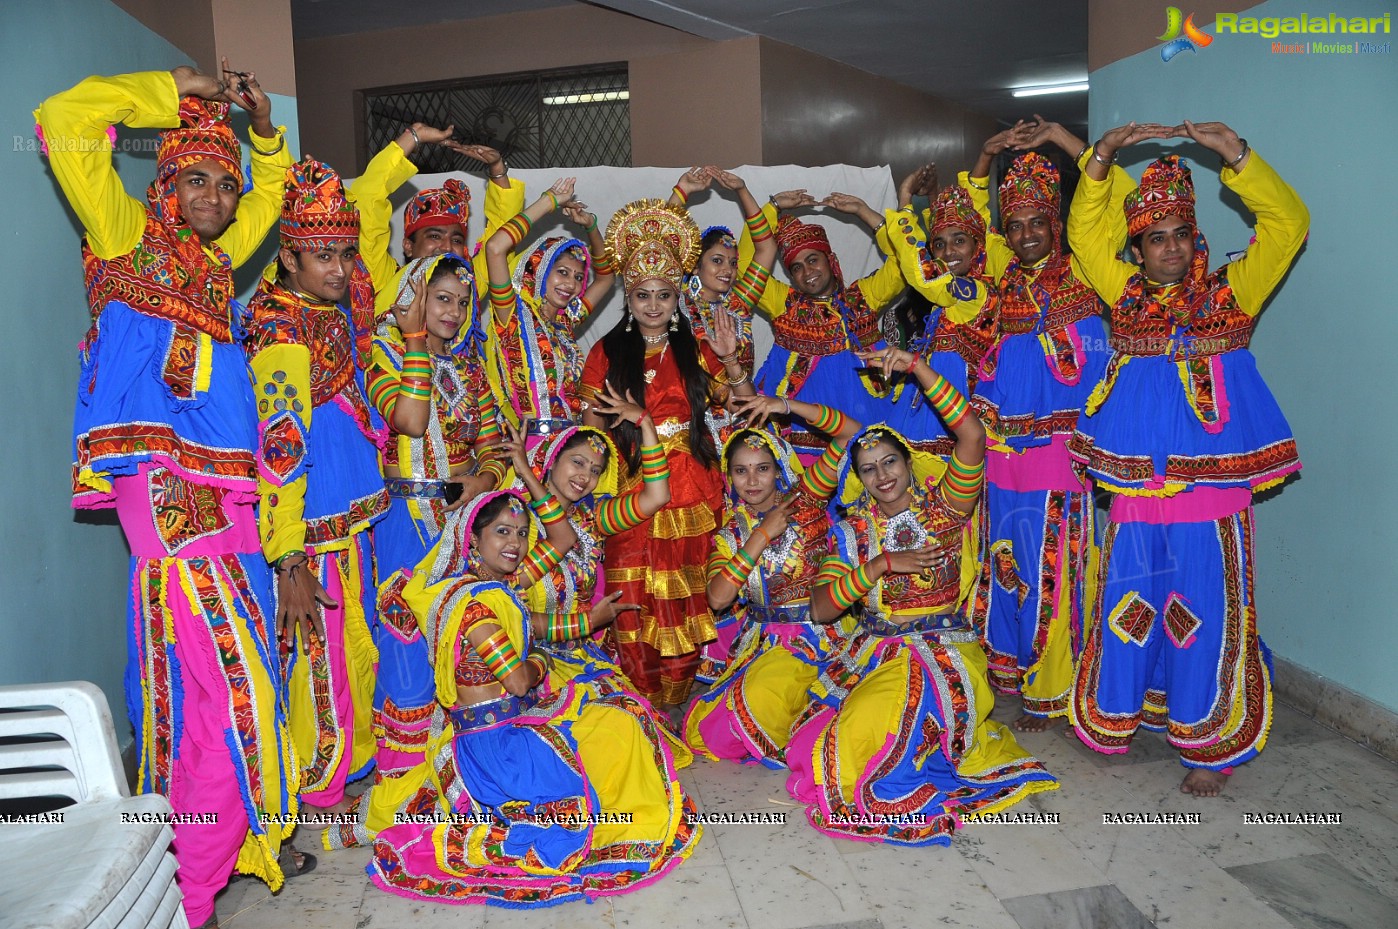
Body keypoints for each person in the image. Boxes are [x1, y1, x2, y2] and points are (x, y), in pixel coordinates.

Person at [37, 62, 300, 927]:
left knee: (203, 686)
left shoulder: (217, 268)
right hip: (166, 490)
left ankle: (213, 854)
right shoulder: (122, 236)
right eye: (197, 177)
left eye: (227, 185)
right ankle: (196, 876)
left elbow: (273, 199)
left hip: (228, 495)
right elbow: (65, 118)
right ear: (163, 181)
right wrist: (171, 87)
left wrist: (261, 136)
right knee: (235, 684)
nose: (218, 197)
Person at [1067, 121, 1309, 796]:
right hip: (1137, 493)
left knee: (1203, 609)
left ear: (1193, 236)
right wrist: (1103, 155)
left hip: (1212, 497)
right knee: (1133, 605)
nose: (1168, 248)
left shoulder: (1235, 291)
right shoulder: (1123, 294)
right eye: (1154, 237)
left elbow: (1288, 222)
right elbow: (1083, 235)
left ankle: (1210, 742)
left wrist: (1236, 154)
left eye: (1178, 233)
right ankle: (1127, 711)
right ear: (1137, 246)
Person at [351, 489, 702, 906]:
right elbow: (518, 682)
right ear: (472, 541)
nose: (514, 542)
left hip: (506, 730)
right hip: (496, 752)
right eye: (501, 532)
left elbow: (536, 622)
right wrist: (538, 662)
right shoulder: (476, 606)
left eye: (520, 532)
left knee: (618, 718)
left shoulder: (496, 591)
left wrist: (591, 619)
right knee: (603, 752)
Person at [792, 346, 1057, 845]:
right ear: (859, 478)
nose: (882, 474)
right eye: (868, 468)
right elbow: (822, 607)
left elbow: (972, 434)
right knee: (818, 745)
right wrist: (880, 565)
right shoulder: (853, 533)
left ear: (908, 461)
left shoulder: (946, 510)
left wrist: (917, 368)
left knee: (872, 741)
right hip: (874, 654)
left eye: (889, 460)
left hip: (942, 656)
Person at [968, 120, 1158, 732]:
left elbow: (1125, 202)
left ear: (1057, 224)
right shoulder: (1002, 281)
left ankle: (1053, 685)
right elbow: (958, 236)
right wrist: (983, 158)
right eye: (1015, 224)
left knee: (1057, 566)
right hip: (1002, 449)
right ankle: (1009, 672)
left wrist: (1074, 144)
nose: (1025, 235)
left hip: (1064, 449)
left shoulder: (1087, 269)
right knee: (1006, 561)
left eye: (1037, 223)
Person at [246, 157, 389, 816]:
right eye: (322, 255)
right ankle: (318, 783)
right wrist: (290, 558)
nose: (339, 268)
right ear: (290, 256)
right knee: (319, 655)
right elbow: (278, 453)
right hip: (309, 525)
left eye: (344, 253)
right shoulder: (279, 326)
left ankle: (350, 761)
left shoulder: (325, 305)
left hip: (348, 511)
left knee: (352, 641)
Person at [579, 199, 753, 708]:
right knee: (632, 597)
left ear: (677, 295)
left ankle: (673, 702)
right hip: (631, 483)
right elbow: (592, 434)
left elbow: (742, 405)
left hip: (692, 484)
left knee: (684, 595)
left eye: (663, 294)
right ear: (628, 298)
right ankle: (637, 700)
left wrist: (731, 361)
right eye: (641, 295)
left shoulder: (696, 347)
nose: (653, 305)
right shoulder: (606, 353)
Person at [365, 254, 508, 775]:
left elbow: (495, 446)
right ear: (414, 298)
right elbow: (409, 418)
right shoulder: (384, 355)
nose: (453, 311)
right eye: (440, 298)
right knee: (405, 638)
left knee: (458, 639)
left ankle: (460, 771)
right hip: (405, 522)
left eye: (462, 301)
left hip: (462, 524)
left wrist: (482, 481)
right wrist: (416, 341)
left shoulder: (469, 368)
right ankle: (403, 781)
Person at [684, 395, 860, 767]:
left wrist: (788, 406)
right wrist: (760, 535)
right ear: (728, 475)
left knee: (756, 707)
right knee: (709, 731)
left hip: (820, 637)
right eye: (741, 471)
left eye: (762, 468)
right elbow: (717, 598)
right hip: (765, 642)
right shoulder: (732, 532)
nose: (752, 481)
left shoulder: (806, 498)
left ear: (778, 468)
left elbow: (850, 435)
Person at [751, 191, 909, 458]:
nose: (807, 272)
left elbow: (904, 262)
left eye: (813, 259)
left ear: (830, 259)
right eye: (796, 268)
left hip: (867, 423)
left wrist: (863, 210)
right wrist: (772, 208)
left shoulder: (863, 297)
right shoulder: (783, 303)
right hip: (803, 430)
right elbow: (745, 266)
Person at [483, 178, 616, 438]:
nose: (571, 284)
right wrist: (550, 201)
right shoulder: (513, 315)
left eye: (579, 277)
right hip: (529, 446)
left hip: (571, 444)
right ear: (541, 271)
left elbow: (606, 277)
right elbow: (495, 248)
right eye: (563, 272)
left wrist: (591, 226)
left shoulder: (566, 322)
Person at [346, 121, 521, 312]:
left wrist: (497, 168)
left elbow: (503, 237)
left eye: (456, 239)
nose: (447, 247)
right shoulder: (385, 280)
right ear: (408, 246)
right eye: (435, 236)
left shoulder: (468, 285)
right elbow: (366, 201)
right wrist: (414, 136)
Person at [668, 165, 778, 373]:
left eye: (733, 263)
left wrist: (742, 191)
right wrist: (681, 191)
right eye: (717, 261)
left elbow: (767, 248)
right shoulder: (673, 301)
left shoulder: (739, 303)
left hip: (738, 402)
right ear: (694, 266)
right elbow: (659, 247)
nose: (728, 269)